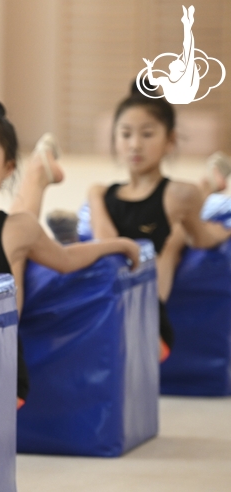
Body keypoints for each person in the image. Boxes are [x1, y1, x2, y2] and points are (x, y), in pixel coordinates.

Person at [0, 100, 141, 408]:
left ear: (8, 168)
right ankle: (41, 175)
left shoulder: (19, 227)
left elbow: (66, 260)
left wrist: (117, 244)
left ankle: (44, 185)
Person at [88, 81, 231, 362]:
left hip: (151, 316)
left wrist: (223, 231)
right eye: (126, 134)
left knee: (177, 233)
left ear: (170, 141)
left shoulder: (178, 193)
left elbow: (200, 238)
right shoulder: (101, 194)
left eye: (148, 134)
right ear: (115, 140)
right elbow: (107, 245)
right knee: (175, 228)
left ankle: (209, 186)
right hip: (113, 307)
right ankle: (210, 184)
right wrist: (94, 198)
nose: (135, 144)